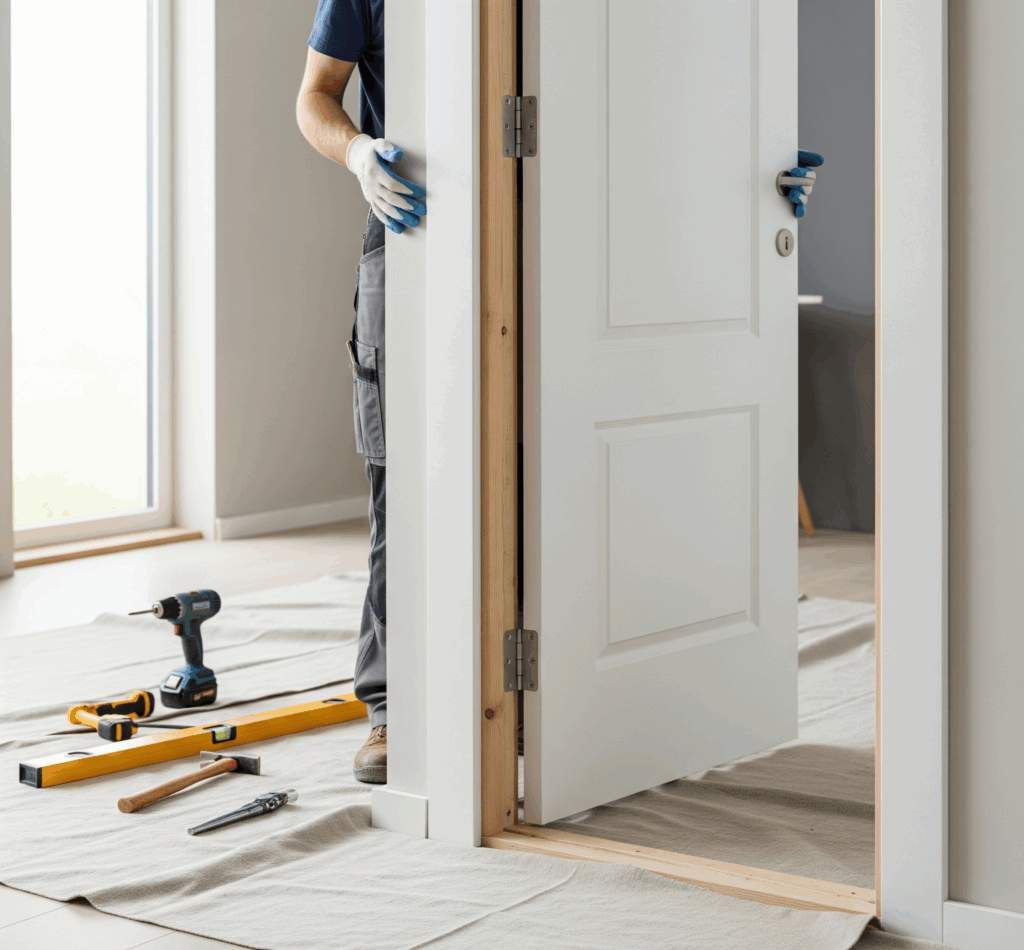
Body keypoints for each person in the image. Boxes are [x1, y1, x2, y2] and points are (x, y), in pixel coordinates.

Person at [296, 0, 426, 785]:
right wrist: (356, 155)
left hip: (534, 223)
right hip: (405, 227)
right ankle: (391, 709)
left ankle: (533, 698)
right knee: (400, 481)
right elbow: (315, 94)